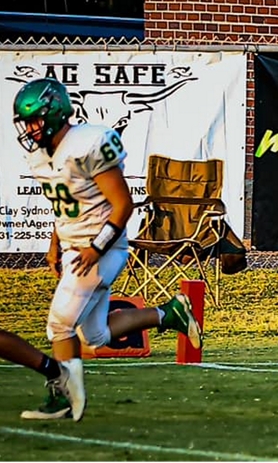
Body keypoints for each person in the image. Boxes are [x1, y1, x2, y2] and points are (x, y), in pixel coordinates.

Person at [12, 77, 203, 422]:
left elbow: (123, 205)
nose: (30, 129)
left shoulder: (88, 144)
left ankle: (66, 400)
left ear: (54, 113)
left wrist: (95, 249)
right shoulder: (41, 157)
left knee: (59, 325)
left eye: (35, 120)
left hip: (104, 248)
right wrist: (55, 243)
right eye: (27, 122)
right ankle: (169, 313)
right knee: (95, 334)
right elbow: (64, 205)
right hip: (76, 247)